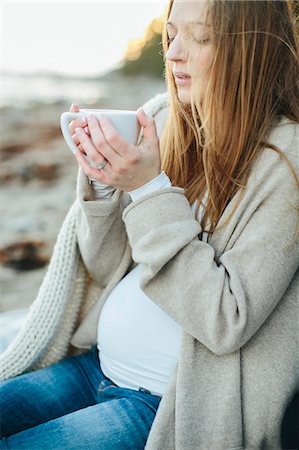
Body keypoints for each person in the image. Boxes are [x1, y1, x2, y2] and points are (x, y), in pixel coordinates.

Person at [1, 0, 298, 448]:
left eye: (199, 37)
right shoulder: (164, 119)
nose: (175, 52)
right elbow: (103, 270)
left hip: (167, 405)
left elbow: (226, 319)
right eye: (171, 33)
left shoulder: (286, 161)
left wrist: (147, 190)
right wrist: (104, 187)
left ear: (250, 50)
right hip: (92, 366)